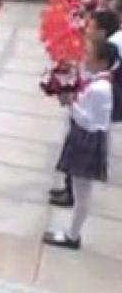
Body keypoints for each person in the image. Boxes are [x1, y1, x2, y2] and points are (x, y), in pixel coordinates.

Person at [43, 38, 116, 251]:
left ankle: (72, 235)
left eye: (90, 54)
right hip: (84, 137)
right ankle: (71, 232)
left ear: (102, 62)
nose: (86, 57)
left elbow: (90, 120)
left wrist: (70, 102)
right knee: (79, 188)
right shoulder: (97, 82)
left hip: (88, 139)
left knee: (82, 192)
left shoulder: (101, 89)